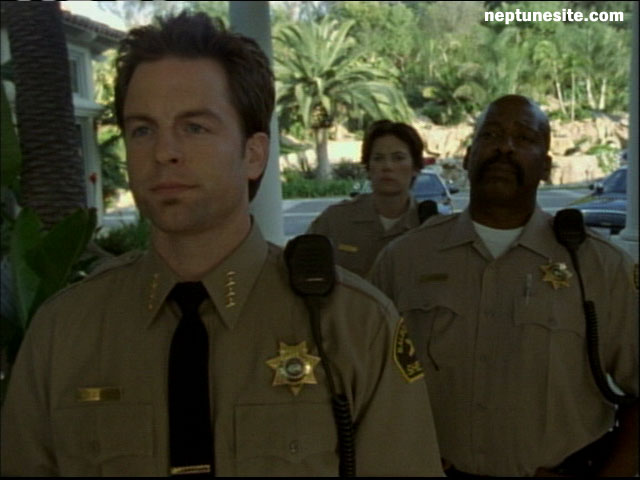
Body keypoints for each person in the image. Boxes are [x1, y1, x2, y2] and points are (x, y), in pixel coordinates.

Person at [0, 12, 445, 477]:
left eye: (194, 127)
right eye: (142, 129)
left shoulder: (354, 327)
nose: (163, 152)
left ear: (253, 154)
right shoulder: (64, 333)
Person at [370, 94, 638, 477]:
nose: (505, 148)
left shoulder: (600, 266)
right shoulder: (403, 261)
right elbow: (365, 386)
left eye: (524, 138)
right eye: (491, 134)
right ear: (467, 157)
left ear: (546, 166)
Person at [307, 120, 425, 278]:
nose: (387, 166)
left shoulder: (428, 225)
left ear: (415, 167)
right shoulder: (335, 221)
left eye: (398, 158)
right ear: (368, 168)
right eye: (378, 158)